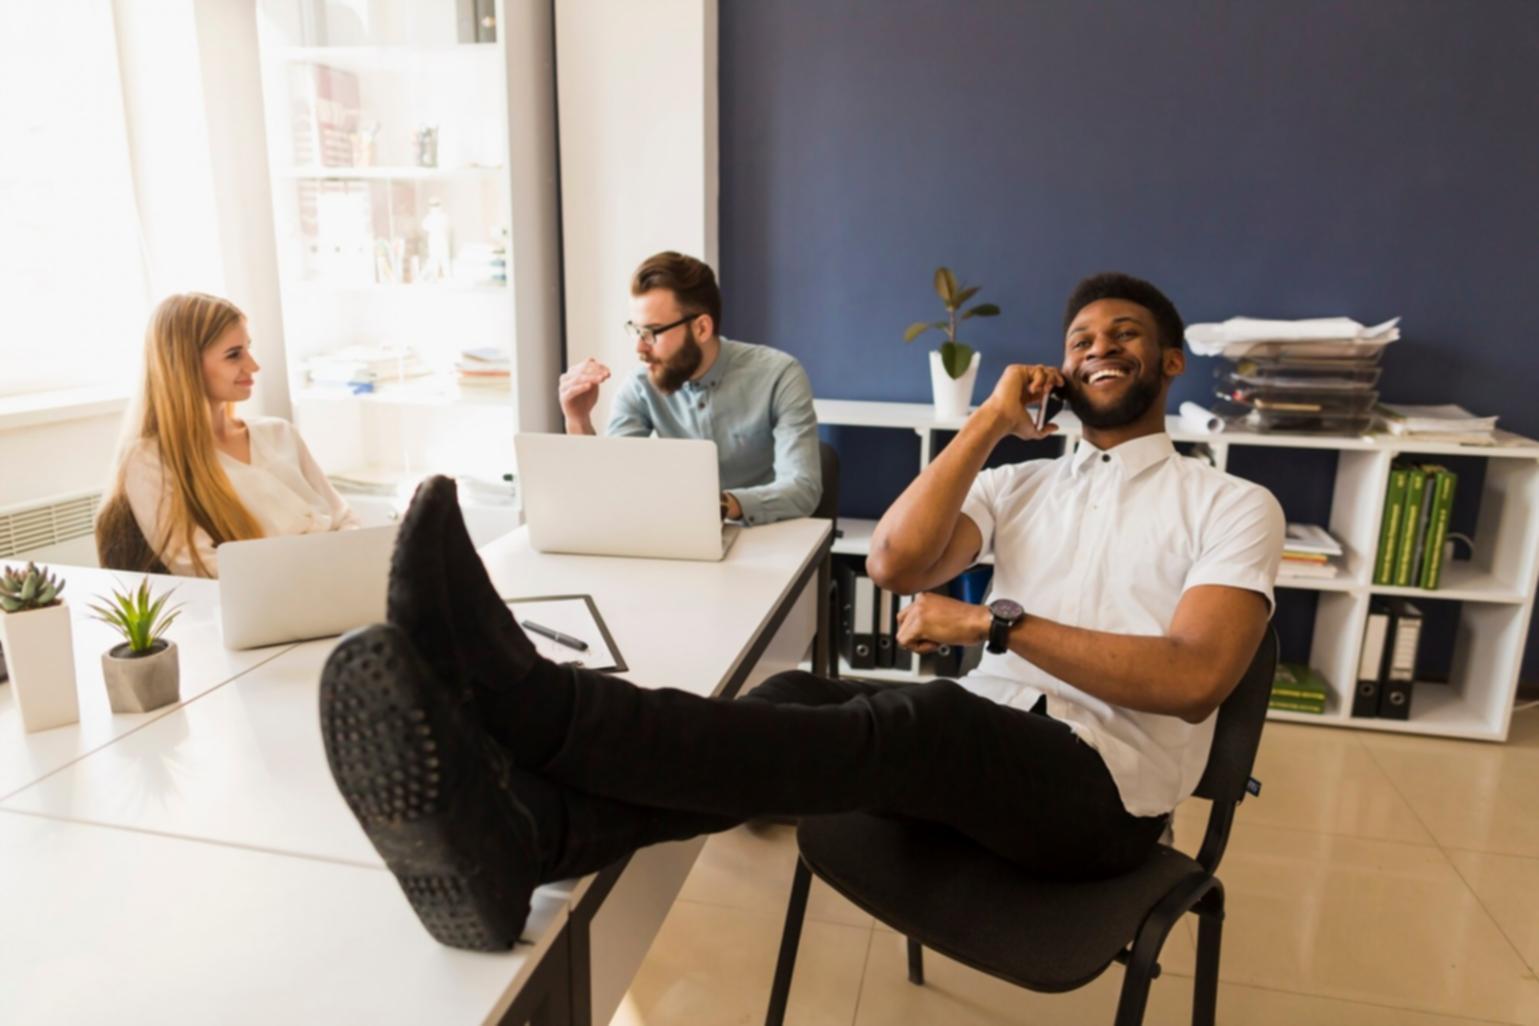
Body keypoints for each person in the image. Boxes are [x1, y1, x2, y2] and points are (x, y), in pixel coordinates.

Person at [319, 272, 1284, 951]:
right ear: (1059, 373)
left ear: (1168, 367)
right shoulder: (1024, 482)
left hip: (1104, 804)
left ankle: (536, 708)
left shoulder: (1231, 505)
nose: (1097, 348)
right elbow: (902, 563)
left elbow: (1194, 681)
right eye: (1079, 340)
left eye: (1123, 337)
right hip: (990, 755)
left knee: (921, 720)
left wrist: (996, 627)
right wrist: (988, 423)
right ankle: (531, 838)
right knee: (789, 689)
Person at [95, 292, 359, 577]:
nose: (253, 366)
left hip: (334, 581)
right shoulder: (149, 460)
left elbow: (344, 518)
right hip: (270, 603)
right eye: (234, 355)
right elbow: (201, 566)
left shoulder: (280, 433)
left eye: (249, 349)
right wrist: (313, 570)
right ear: (185, 365)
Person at [556, 251, 821, 525]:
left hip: (766, 538)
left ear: (702, 328)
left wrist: (721, 505)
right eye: (636, 331)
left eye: (652, 333)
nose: (639, 348)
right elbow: (610, 488)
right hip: (675, 539)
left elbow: (802, 489)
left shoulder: (780, 375)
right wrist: (578, 420)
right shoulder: (640, 386)